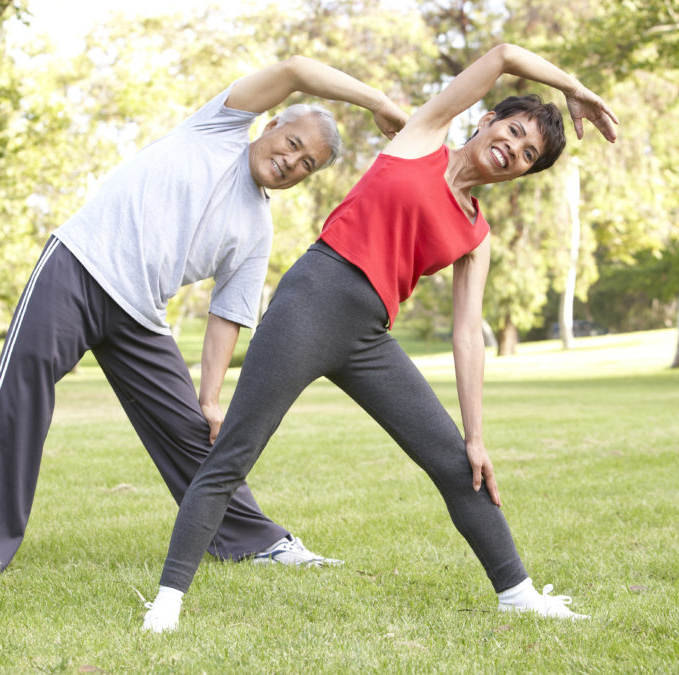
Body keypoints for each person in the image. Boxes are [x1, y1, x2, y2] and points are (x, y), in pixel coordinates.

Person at [142, 43, 619, 631]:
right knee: (234, 454)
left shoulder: (477, 232)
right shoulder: (423, 135)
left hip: (368, 335)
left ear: (523, 171)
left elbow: (467, 337)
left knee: (455, 463)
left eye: (527, 154)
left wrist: (476, 437)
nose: (512, 150)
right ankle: (167, 602)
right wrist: (574, 88)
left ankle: (517, 592)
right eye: (514, 131)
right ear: (487, 119)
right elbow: (501, 55)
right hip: (310, 302)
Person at [0, 56, 408, 582]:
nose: (292, 162)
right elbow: (296, 69)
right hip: (78, 266)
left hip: (140, 315)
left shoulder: (257, 229)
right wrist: (380, 103)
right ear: (272, 125)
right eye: (293, 144)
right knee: (21, 394)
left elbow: (228, 315)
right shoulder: (220, 126)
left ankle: (255, 540)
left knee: (192, 430)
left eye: (307, 166)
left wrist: (209, 400)